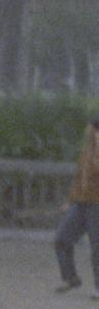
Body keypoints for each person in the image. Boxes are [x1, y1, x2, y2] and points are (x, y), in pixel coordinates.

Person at [51, 113, 99, 296]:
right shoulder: (87, 151)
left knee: (97, 247)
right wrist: (70, 200)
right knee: (62, 239)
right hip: (81, 202)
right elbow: (80, 177)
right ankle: (70, 277)